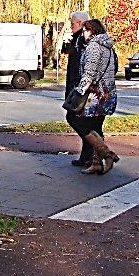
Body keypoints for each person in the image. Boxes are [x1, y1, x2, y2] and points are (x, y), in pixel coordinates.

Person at [72, 18, 119, 175]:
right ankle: (96, 163)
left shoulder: (93, 46)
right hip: (107, 93)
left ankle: (107, 154)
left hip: (95, 94)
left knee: (76, 121)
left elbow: (89, 73)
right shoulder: (108, 47)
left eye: (85, 30)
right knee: (96, 127)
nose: (83, 34)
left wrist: (80, 90)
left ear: (92, 31)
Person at [62, 11, 91, 166]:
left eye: (72, 23)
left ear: (80, 23)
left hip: (79, 88)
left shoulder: (82, 40)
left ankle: (98, 150)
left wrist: (79, 87)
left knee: (75, 118)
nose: (70, 25)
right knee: (81, 120)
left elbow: (84, 67)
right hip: (77, 87)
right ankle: (88, 156)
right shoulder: (78, 39)